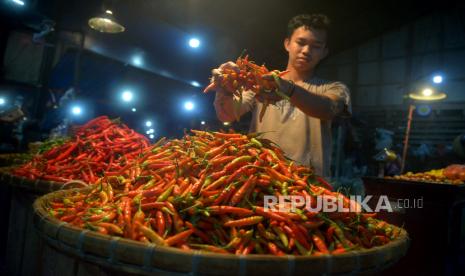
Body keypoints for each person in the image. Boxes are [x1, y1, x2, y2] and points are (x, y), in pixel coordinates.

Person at [211, 14, 351, 176]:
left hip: (307, 183)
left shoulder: (334, 88)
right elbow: (227, 115)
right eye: (301, 42)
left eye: (316, 46)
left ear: (324, 52)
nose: (306, 51)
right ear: (287, 44)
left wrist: (289, 90)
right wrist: (226, 89)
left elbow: (328, 109)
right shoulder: (261, 82)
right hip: (261, 177)